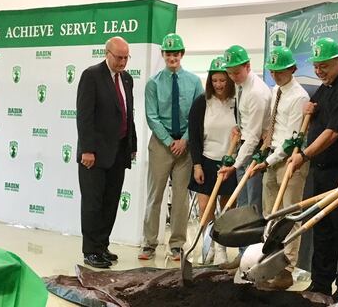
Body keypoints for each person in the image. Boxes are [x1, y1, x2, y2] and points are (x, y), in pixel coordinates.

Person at [286, 37, 338, 302]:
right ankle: (320, 285)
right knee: (322, 230)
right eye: (316, 66)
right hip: (321, 171)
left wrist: (304, 156)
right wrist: (309, 109)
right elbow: (315, 113)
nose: (319, 71)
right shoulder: (325, 87)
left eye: (325, 66)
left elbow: (333, 133)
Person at [139, 33, 204, 261]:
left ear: (182, 54)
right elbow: (152, 116)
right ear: (163, 55)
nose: (172, 58)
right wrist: (168, 141)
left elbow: (197, 115)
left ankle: (177, 244)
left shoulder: (194, 82)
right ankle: (149, 243)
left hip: (185, 146)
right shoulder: (153, 83)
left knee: (180, 198)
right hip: (161, 144)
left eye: (176, 54)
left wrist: (184, 140)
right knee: (154, 195)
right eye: (168, 54)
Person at [250, 46, 310, 290]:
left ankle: (286, 268)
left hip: (289, 161)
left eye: (280, 71)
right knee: (271, 214)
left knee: (289, 216)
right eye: (273, 71)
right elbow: (272, 129)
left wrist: (269, 161)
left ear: (292, 69)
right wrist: (263, 153)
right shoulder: (275, 91)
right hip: (272, 157)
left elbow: (291, 140)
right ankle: (269, 263)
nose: (275, 75)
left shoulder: (299, 97)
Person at [76, 36, 138, 269]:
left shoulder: (127, 79)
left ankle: (102, 246)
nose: (122, 62)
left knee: (111, 202)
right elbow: (84, 116)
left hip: (118, 152)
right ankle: (91, 250)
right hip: (94, 154)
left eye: (126, 58)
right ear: (107, 53)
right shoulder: (91, 75)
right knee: (93, 203)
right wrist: (87, 149)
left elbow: (128, 114)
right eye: (119, 57)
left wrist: (132, 145)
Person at [217, 44, 272, 269]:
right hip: (245, 147)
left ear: (248, 66)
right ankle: (242, 254)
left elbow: (254, 135)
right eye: (229, 73)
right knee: (242, 204)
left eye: (236, 72)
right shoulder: (242, 86)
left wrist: (236, 164)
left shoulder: (256, 93)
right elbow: (246, 127)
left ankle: (253, 258)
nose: (233, 77)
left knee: (252, 208)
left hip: (256, 152)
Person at [187, 56, 238, 265]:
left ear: (230, 80)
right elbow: (194, 136)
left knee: (226, 210)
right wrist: (197, 164)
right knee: (205, 208)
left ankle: (221, 248)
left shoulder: (237, 102)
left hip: (230, 163)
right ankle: (208, 247)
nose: (218, 84)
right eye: (215, 80)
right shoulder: (202, 102)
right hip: (206, 161)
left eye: (222, 80)